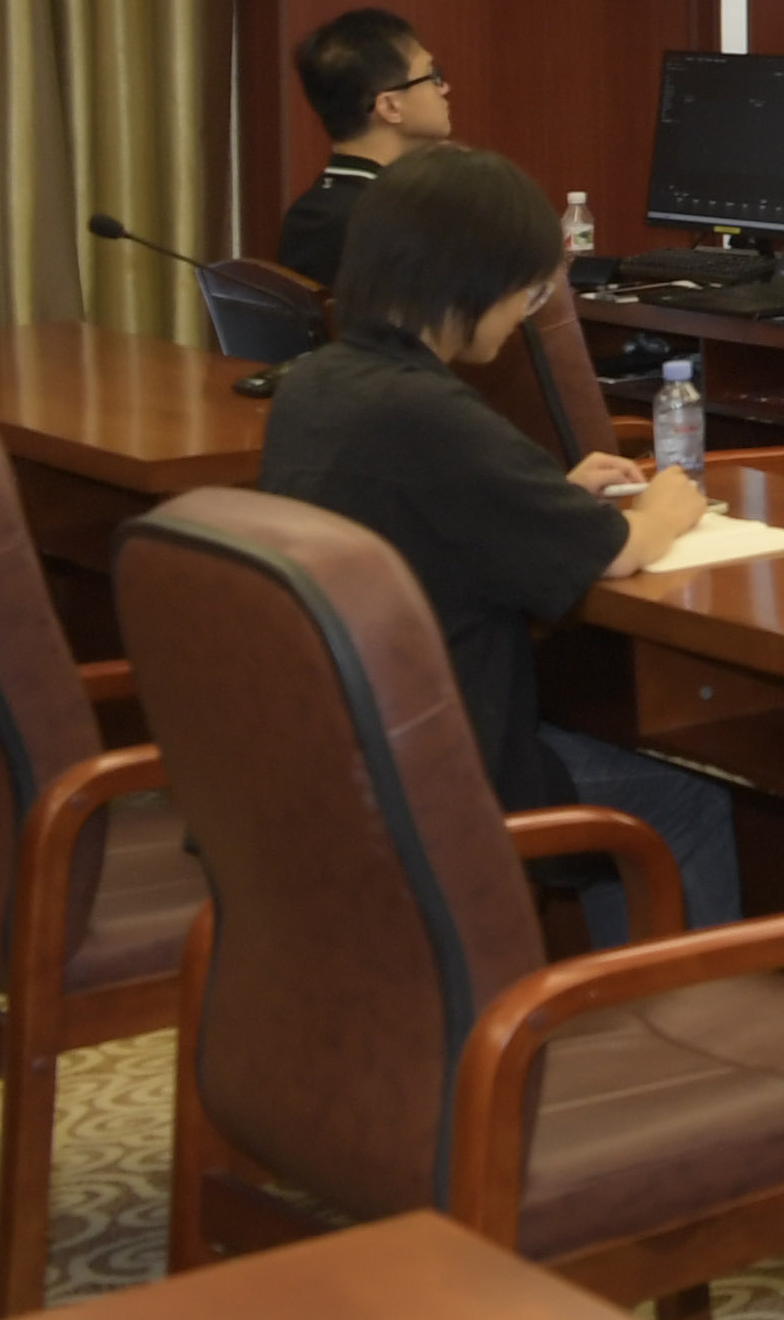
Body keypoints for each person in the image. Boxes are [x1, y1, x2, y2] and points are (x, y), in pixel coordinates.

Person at [254, 144, 726, 943]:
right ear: (473, 281)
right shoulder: (428, 413)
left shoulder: (318, 383)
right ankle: (667, 1010)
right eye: (528, 292)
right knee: (687, 799)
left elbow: (444, 515)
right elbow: (616, 549)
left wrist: (549, 495)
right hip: (441, 776)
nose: (525, 314)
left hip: (342, 758)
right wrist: (668, 507)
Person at [273, 5, 449, 285]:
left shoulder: (314, 209)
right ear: (390, 106)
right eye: (432, 76)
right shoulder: (384, 223)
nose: (444, 88)